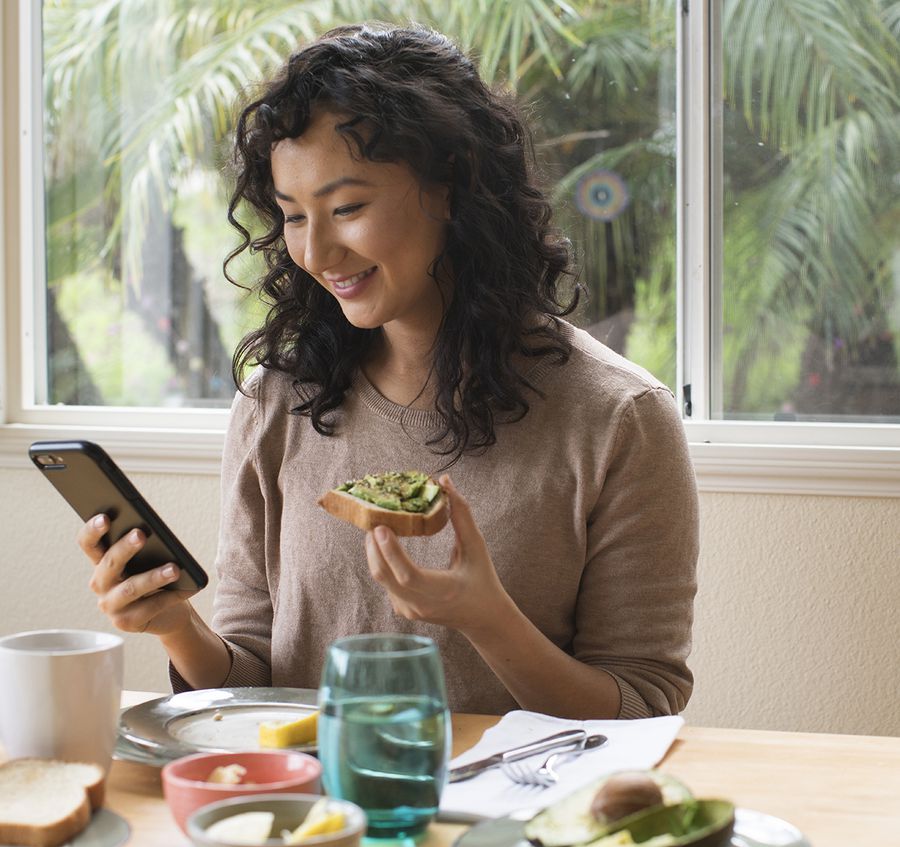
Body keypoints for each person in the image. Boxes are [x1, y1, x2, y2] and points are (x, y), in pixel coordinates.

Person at [78, 23, 698, 719]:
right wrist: (175, 625)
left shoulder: (619, 417)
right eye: (292, 216)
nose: (316, 251)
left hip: (511, 820)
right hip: (316, 820)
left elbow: (645, 703)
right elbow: (255, 680)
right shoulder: (278, 403)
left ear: (452, 189)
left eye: (347, 208)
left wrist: (489, 619)